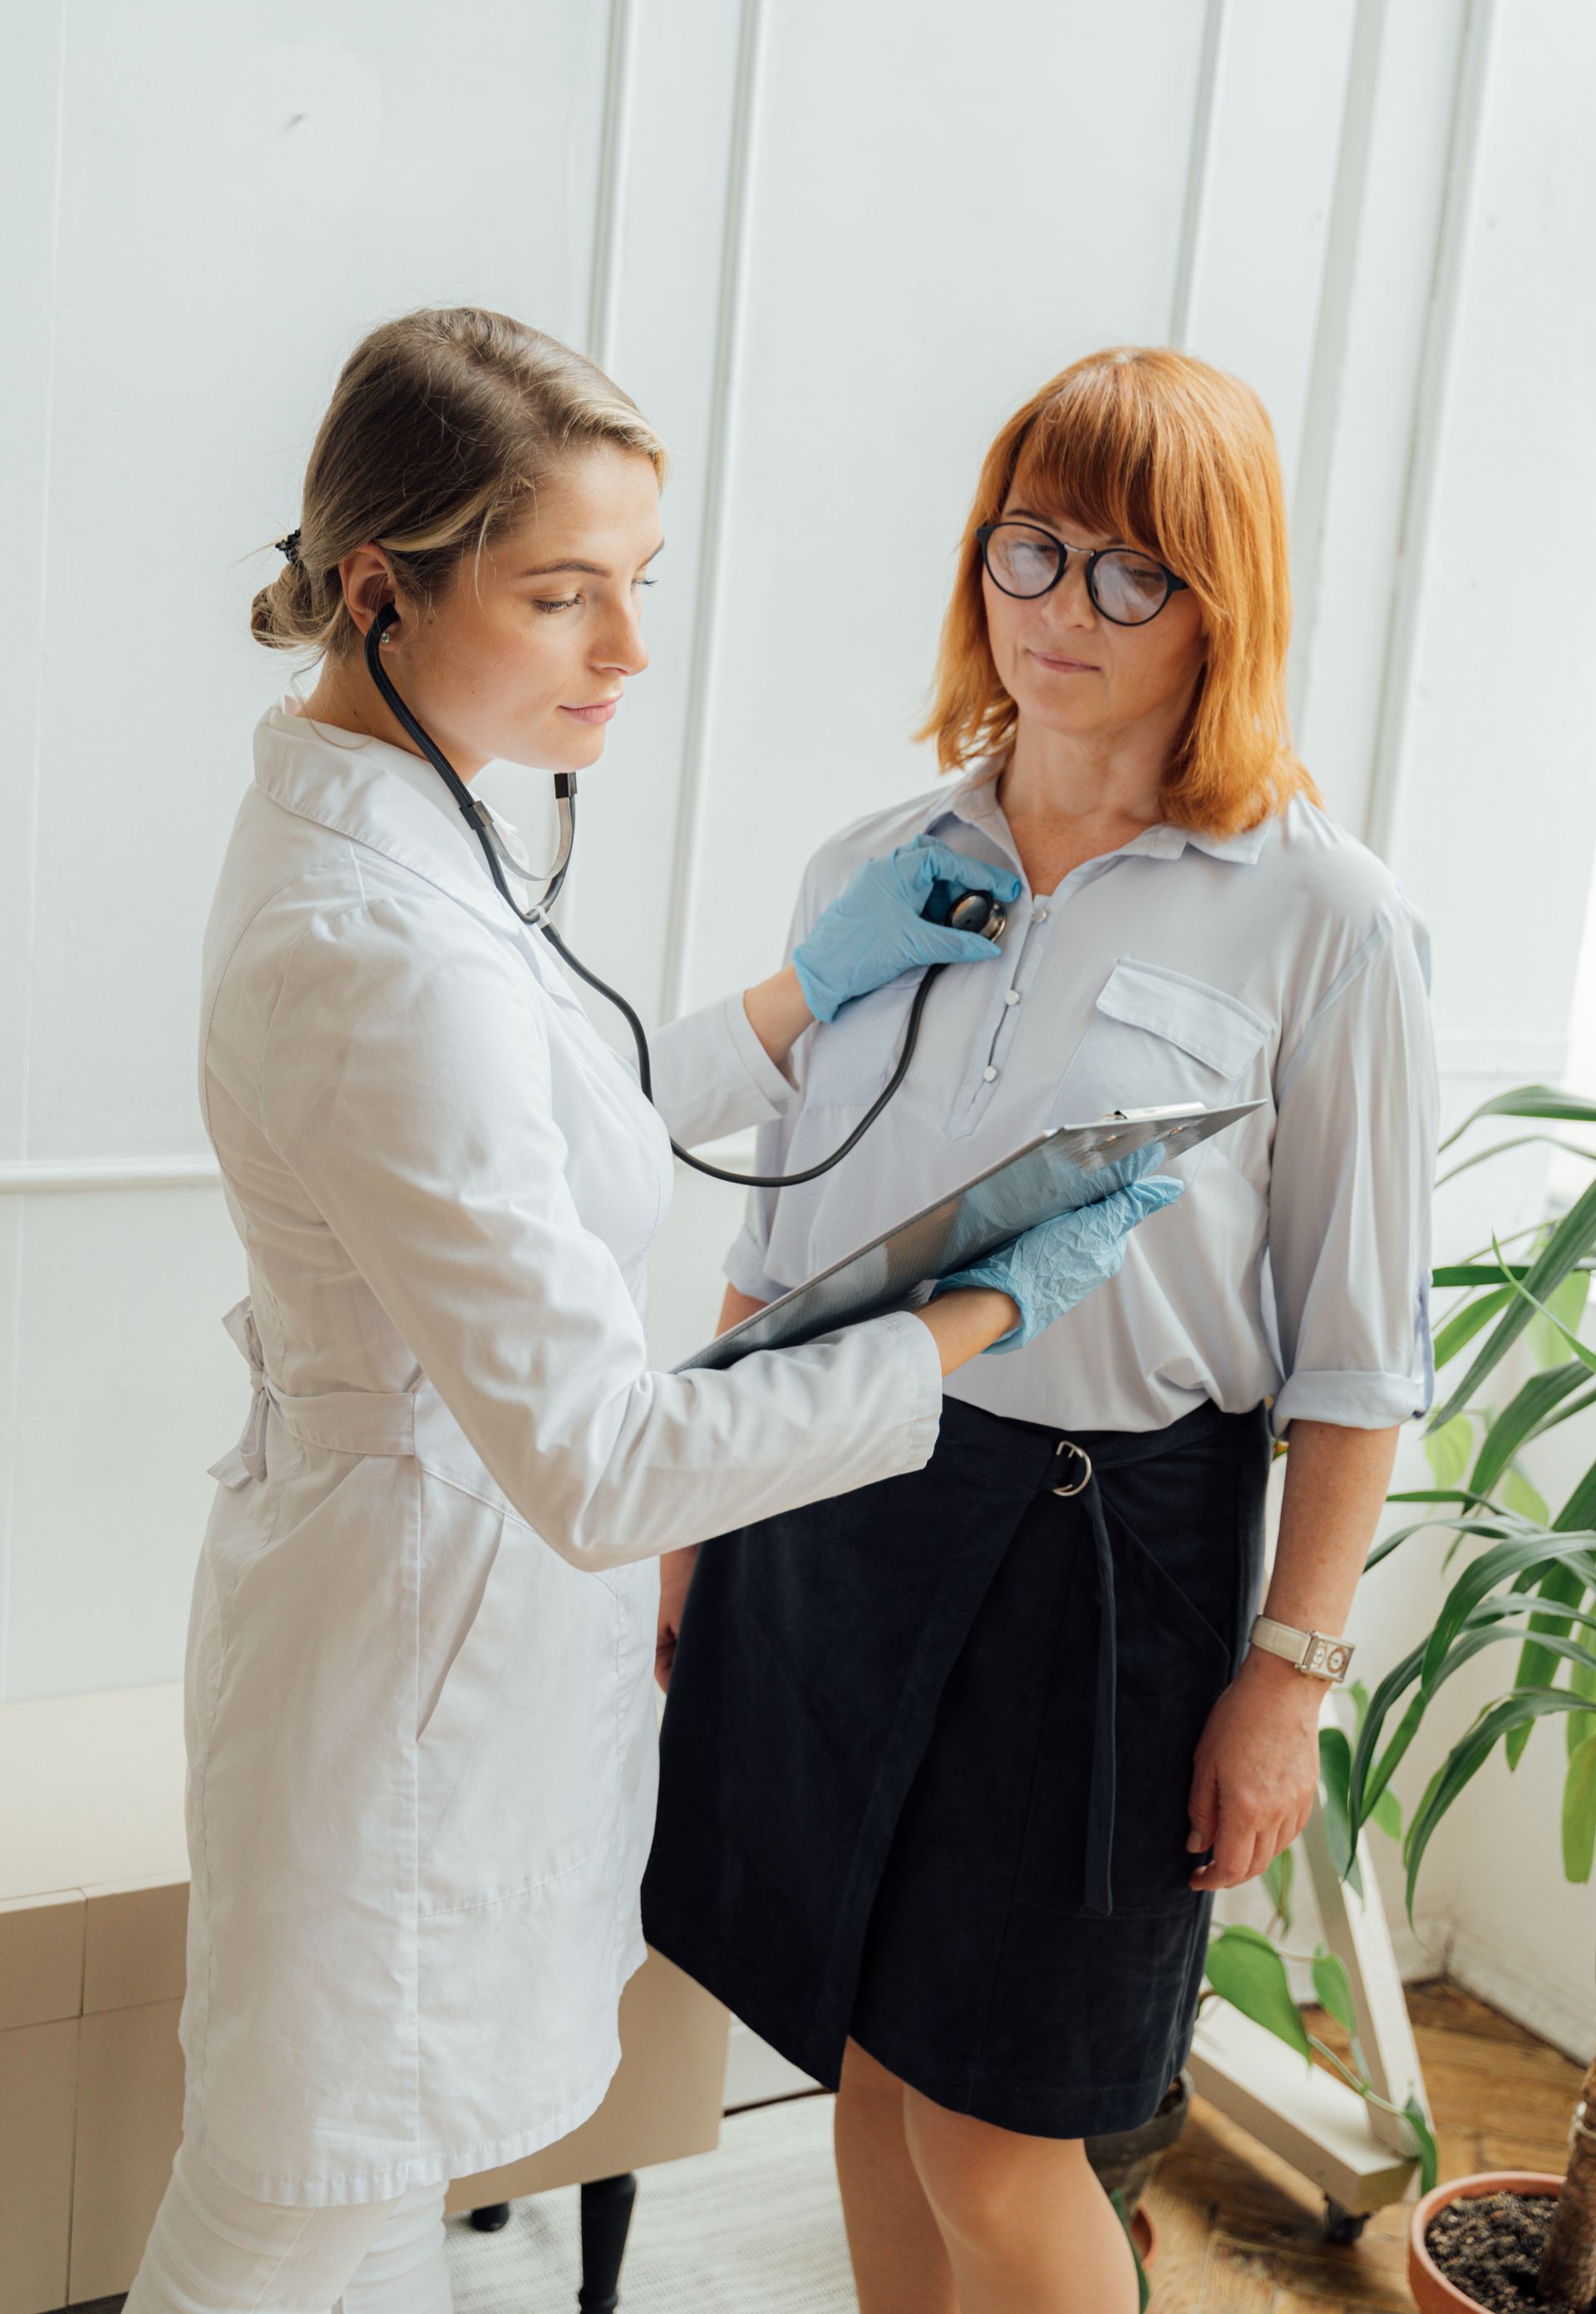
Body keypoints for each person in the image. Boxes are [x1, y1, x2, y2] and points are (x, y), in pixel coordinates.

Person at [121, 308, 1181, 2314]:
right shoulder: (374, 942)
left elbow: (538, 1131)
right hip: (408, 1653)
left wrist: (806, 1001)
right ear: (381, 584)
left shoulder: (413, 822)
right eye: (563, 595)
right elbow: (607, 1462)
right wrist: (974, 1313)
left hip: (425, 1612)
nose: (627, 653)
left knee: (341, 2189)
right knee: (284, 2215)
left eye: (641, 589)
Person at [643, 346, 1439, 2314]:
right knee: (864, 2060)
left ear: (1218, 603)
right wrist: (696, 1510)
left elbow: (1357, 1362)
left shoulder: (1324, 918)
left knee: (1007, 2136)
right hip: (827, 1496)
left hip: (1101, 1568)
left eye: (1128, 574)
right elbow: (791, 1244)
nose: (1060, 612)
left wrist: (1288, 1679)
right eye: (1030, 549)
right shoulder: (878, 868)